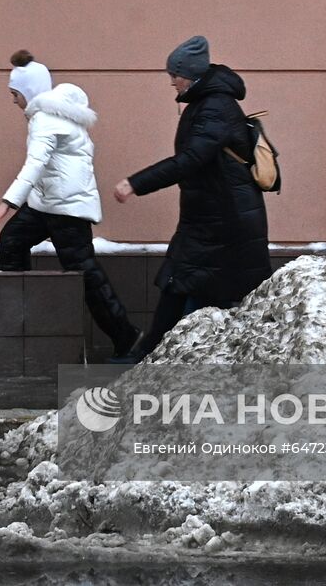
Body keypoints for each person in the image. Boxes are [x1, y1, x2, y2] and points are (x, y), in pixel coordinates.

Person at [111, 35, 272, 363]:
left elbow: (190, 160)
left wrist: (135, 183)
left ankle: (150, 355)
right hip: (213, 216)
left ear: (192, 74)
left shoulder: (214, 107)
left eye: (175, 74)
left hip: (223, 221)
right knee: (185, 285)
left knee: (186, 285)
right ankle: (155, 354)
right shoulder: (208, 102)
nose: (171, 81)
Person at [0, 50, 141, 357]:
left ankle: (128, 337)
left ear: (28, 93)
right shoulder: (54, 114)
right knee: (13, 242)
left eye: (14, 94)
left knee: (85, 274)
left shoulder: (45, 118)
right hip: (48, 203)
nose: (13, 100)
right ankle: (23, 321)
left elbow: (36, 162)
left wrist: (6, 204)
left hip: (66, 208)